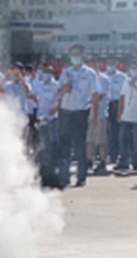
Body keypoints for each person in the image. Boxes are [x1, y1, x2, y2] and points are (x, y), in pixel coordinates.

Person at [56, 45, 101, 187]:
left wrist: (94, 115)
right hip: (65, 112)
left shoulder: (90, 74)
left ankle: (81, 177)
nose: (75, 57)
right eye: (72, 55)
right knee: (65, 146)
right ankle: (65, 176)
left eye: (77, 55)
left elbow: (95, 95)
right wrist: (64, 89)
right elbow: (58, 91)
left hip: (80, 113)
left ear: (82, 56)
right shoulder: (66, 72)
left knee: (80, 146)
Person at [116, 60, 137, 172]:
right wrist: (119, 112)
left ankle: (135, 162)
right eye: (132, 68)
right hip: (126, 116)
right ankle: (123, 162)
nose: (133, 70)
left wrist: (135, 86)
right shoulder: (126, 81)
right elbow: (122, 97)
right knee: (123, 140)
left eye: (135, 68)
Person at [35, 64, 61, 187]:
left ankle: (54, 168)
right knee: (42, 144)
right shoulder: (39, 85)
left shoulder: (57, 85)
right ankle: (43, 170)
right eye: (44, 72)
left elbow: (61, 98)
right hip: (42, 118)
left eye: (49, 72)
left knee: (53, 143)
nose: (46, 75)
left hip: (53, 119)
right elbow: (32, 96)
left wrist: (56, 108)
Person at [85, 59, 109, 174]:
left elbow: (99, 95)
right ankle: (89, 160)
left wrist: (87, 101)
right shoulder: (86, 78)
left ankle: (103, 161)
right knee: (90, 139)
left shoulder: (103, 79)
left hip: (100, 114)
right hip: (87, 113)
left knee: (101, 140)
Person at [104, 59, 126, 164]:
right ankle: (107, 155)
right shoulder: (103, 76)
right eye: (108, 64)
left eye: (112, 64)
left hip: (116, 105)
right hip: (104, 105)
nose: (110, 66)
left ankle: (115, 154)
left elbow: (123, 94)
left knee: (115, 132)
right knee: (105, 131)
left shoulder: (122, 77)